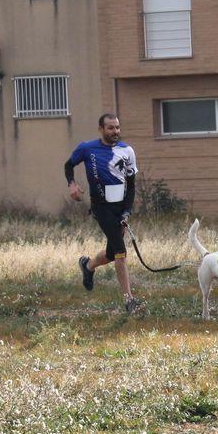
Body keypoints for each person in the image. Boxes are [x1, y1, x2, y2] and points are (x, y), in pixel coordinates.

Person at [64, 113, 145, 314]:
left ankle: (88, 265)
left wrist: (126, 212)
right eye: (110, 128)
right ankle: (129, 301)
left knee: (112, 253)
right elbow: (68, 165)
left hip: (120, 208)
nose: (115, 131)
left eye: (117, 127)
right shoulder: (87, 148)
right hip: (101, 207)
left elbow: (131, 186)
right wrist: (72, 184)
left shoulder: (127, 151)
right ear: (101, 129)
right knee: (120, 252)